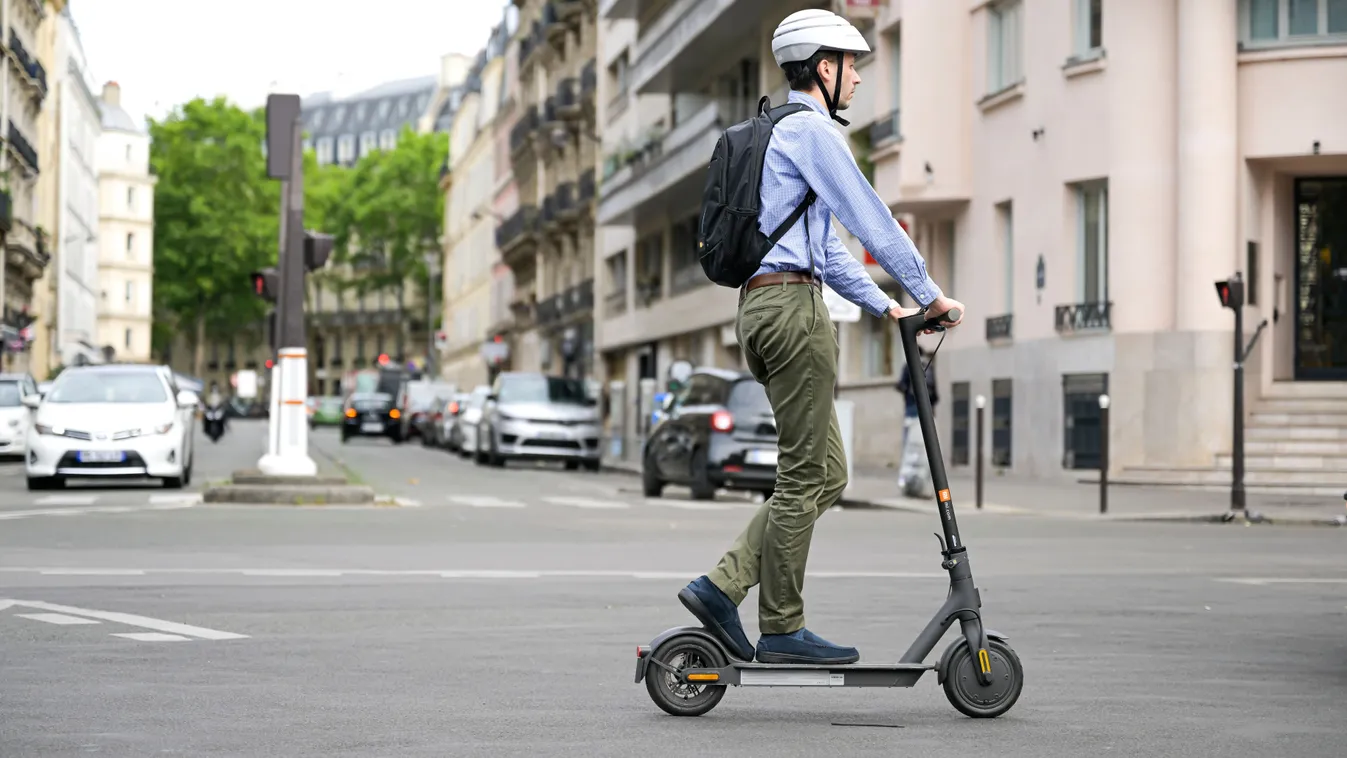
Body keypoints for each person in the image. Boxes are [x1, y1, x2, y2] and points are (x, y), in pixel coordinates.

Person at [677, 8, 965, 666]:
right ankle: (781, 626)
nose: (858, 79)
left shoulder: (775, 133)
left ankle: (721, 586)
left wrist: (885, 307)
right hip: (792, 311)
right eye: (851, 65)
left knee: (827, 474)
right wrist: (930, 294)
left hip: (761, 306)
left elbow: (826, 249)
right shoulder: (811, 132)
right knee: (805, 473)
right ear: (823, 68)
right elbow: (872, 219)